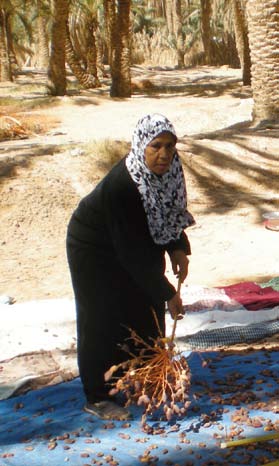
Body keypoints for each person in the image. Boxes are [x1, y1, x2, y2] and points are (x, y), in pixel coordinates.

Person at [66, 113, 195, 420]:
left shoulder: (170, 170)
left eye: (170, 146)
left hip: (135, 241)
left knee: (145, 306)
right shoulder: (122, 186)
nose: (164, 154)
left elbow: (169, 213)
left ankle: (145, 375)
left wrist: (177, 248)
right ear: (141, 146)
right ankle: (97, 396)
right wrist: (168, 293)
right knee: (102, 315)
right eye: (156, 146)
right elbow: (131, 252)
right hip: (94, 247)